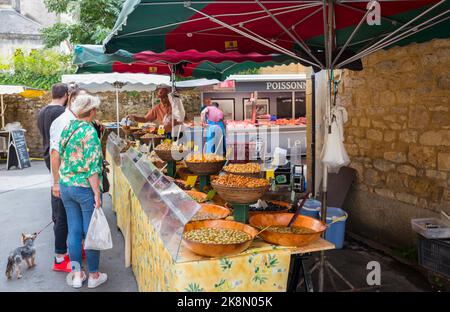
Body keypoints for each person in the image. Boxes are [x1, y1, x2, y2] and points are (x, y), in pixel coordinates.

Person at [58, 94, 107, 289]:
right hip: (85, 187)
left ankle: (77, 274)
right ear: (92, 111)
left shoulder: (68, 127)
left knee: (74, 230)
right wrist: (96, 193)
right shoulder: (89, 131)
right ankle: (94, 274)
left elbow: (61, 154)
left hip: (66, 184)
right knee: (91, 231)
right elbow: (92, 167)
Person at [37, 83, 71, 272]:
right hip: (57, 159)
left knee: (58, 205)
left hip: (47, 157)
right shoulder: (61, 113)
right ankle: (60, 255)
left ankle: (63, 247)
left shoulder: (42, 112)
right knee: (61, 207)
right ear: (66, 95)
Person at [37, 83, 68, 170]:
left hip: (48, 154)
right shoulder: (64, 112)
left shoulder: (41, 112)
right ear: (66, 94)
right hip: (61, 156)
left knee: (55, 182)